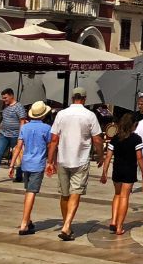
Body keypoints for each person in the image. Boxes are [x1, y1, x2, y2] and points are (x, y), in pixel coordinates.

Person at [45, 88, 104, 242]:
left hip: (63, 158)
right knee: (75, 192)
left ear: (72, 98)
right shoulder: (90, 115)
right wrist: (100, 155)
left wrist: (50, 161)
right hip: (80, 159)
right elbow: (97, 139)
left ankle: (67, 225)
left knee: (64, 194)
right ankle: (67, 225)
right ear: (84, 99)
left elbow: (54, 140)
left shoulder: (61, 114)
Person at [8, 101, 52, 235]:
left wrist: (12, 164)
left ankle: (28, 220)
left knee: (28, 191)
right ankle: (24, 223)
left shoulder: (25, 128)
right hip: (38, 164)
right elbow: (51, 146)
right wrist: (51, 162)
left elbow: (18, 146)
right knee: (31, 192)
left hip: (26, 163)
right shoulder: (46, 128)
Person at [100, 113, 139, 235]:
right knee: (124, 197)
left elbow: (108, 157)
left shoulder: (115, 138)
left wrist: (104, 172)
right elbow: (140, 158)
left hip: (117, 170)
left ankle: (113, 221)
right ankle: (119, 227)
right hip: (129, 171)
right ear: (133, 125)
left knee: (117, 195)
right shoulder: (136, 139)